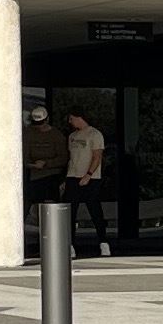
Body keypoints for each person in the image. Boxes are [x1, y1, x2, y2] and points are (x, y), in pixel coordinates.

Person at [60, 107, 112, 254]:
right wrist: (67, 178)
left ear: (79, 117)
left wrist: (89, 174)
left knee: (94, 210)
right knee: (70, 212)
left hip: (91, 178)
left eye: (71, 118)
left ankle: (103, 242)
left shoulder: (95, 134)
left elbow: (97, 156)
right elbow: (71, 158)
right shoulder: (72, 136)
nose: (70, 122)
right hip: (72, 176)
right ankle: (70, 245)